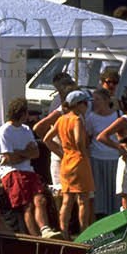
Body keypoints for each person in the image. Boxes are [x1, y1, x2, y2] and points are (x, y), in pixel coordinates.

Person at [0, 98, 57, 236]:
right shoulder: (4, 131)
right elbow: (9, 159)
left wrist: (18, 153)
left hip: (28, 171)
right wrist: (25, 153)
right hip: (12, 173)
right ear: (21, 113)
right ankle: (36, 238)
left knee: (40, 200)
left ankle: (45, 230)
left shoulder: (26, 129)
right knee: (27, 205)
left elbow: (36, 153)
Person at [44, 89, 95, 235]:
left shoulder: (61, 119)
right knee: (83, 200)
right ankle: (84, 231)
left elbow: (47, 139)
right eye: (85, 103)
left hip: (66, 162)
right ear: (78, 105)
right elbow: (79, 141)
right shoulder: (77, 119)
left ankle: (64, 232)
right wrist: (84, 154)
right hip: (79, 161)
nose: (86, 106)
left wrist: (62, 153)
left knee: (67, 200)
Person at [84, 88, 122, 218]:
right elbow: (88, 138)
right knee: (100, 194)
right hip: (97, 158)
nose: (95, 102)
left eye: (98, 99)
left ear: (106, 100)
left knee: (115, 193)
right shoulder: (91, 118)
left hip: (115, 158)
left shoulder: (118, 115)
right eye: (93, 100)